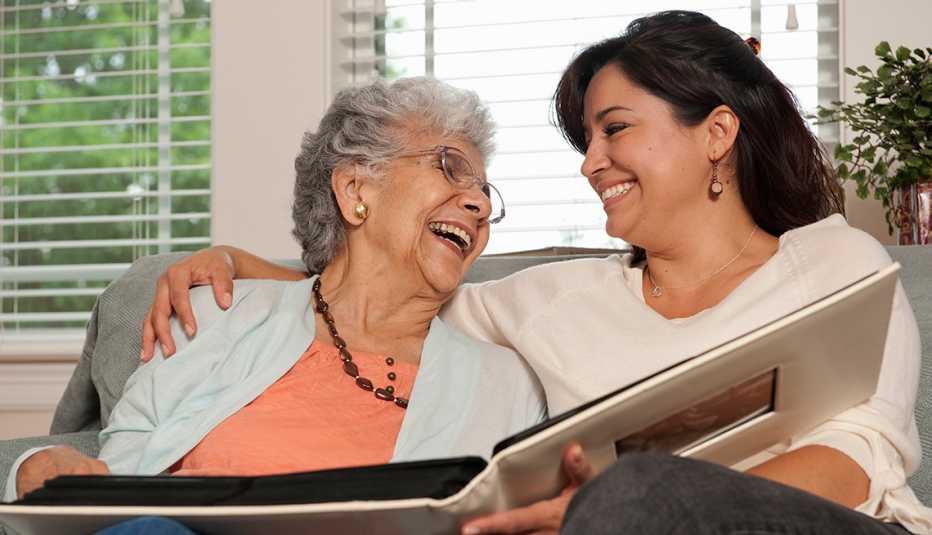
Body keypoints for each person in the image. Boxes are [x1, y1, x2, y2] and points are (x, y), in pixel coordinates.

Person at [140, 11, 930, 535]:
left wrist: (620, 508)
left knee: (628, 496)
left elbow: (863, 454)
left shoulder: (837, 262)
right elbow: (385, 288)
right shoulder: (551, 303)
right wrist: (242, 267)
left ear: (717, 132)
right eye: (585, 140)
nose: (591, 164)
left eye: (614, 129)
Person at [3, 77, 548, 504]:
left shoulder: (506, 382)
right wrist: (34, 468)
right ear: (356, 189)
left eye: (484, 191)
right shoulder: (216, 315)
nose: (477, 204)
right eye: (450, 168)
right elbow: (114, 473)